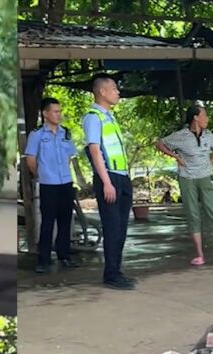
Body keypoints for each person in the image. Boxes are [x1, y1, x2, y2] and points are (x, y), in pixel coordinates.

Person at [156, 105, 213, 266]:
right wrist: (176, 157)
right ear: (195, 118)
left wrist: (211, 161)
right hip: (188, 179)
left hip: (205, 177)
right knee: (193, 215)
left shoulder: (208, 135)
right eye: (204, 115)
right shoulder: (181, 136)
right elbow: (159, 143)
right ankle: (200, 255)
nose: (206, 119)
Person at [82, 74, 136, 291]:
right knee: (112, 227)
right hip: (109, 177)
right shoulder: (93, 117)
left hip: (121, 176)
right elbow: (94, 151)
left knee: (121, 227)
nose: (118, 92)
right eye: (114, 88)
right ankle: (111, 274)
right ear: (102, 92)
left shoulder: (109, 118)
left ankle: (117, 270)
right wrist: (106, 182)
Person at [24, 97, 81, 274]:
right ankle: (44, 259)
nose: (59, 115)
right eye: (56, 112)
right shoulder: (37, 135)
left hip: (65, 183)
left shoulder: (66, 133)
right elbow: (31, 160)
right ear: (45, 114)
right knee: (48, 222)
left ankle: (64, 256)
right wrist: (41, 175)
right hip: (49, 184)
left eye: (60, 111)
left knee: (65, 221)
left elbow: (70, 157)